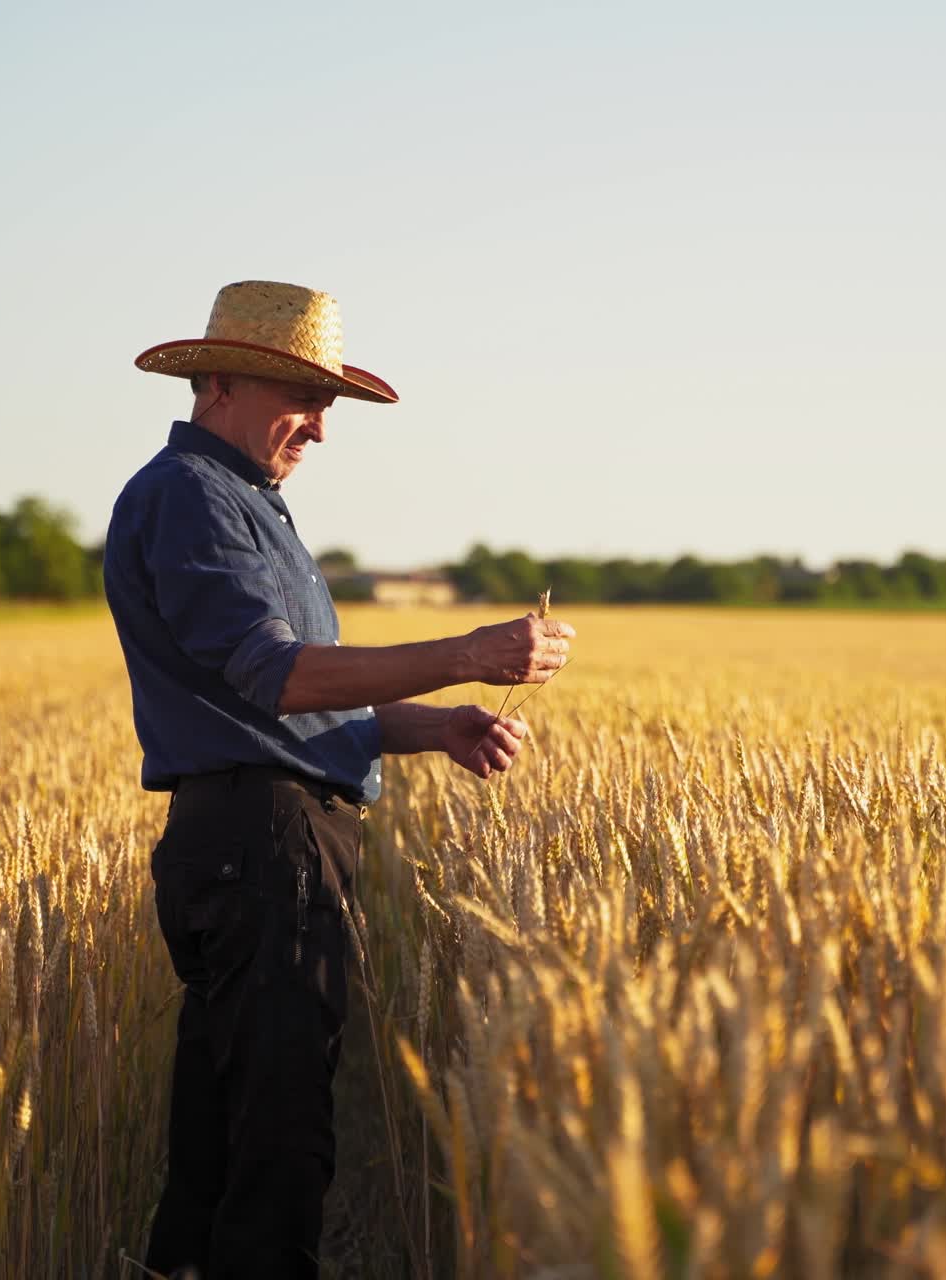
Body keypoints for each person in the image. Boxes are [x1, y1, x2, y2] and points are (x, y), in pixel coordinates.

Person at [103, 280, 576, 1279]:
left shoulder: (242, 501)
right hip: (261, 841)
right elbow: (281, 676)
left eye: (327, 406)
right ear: (218, 380)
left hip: (256, 836)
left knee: (225, 1129)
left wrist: (434, 725)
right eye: (301, 398)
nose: (319, 429)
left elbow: (303, 698)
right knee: (278, 1135)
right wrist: (468, 650)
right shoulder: (195, 497)